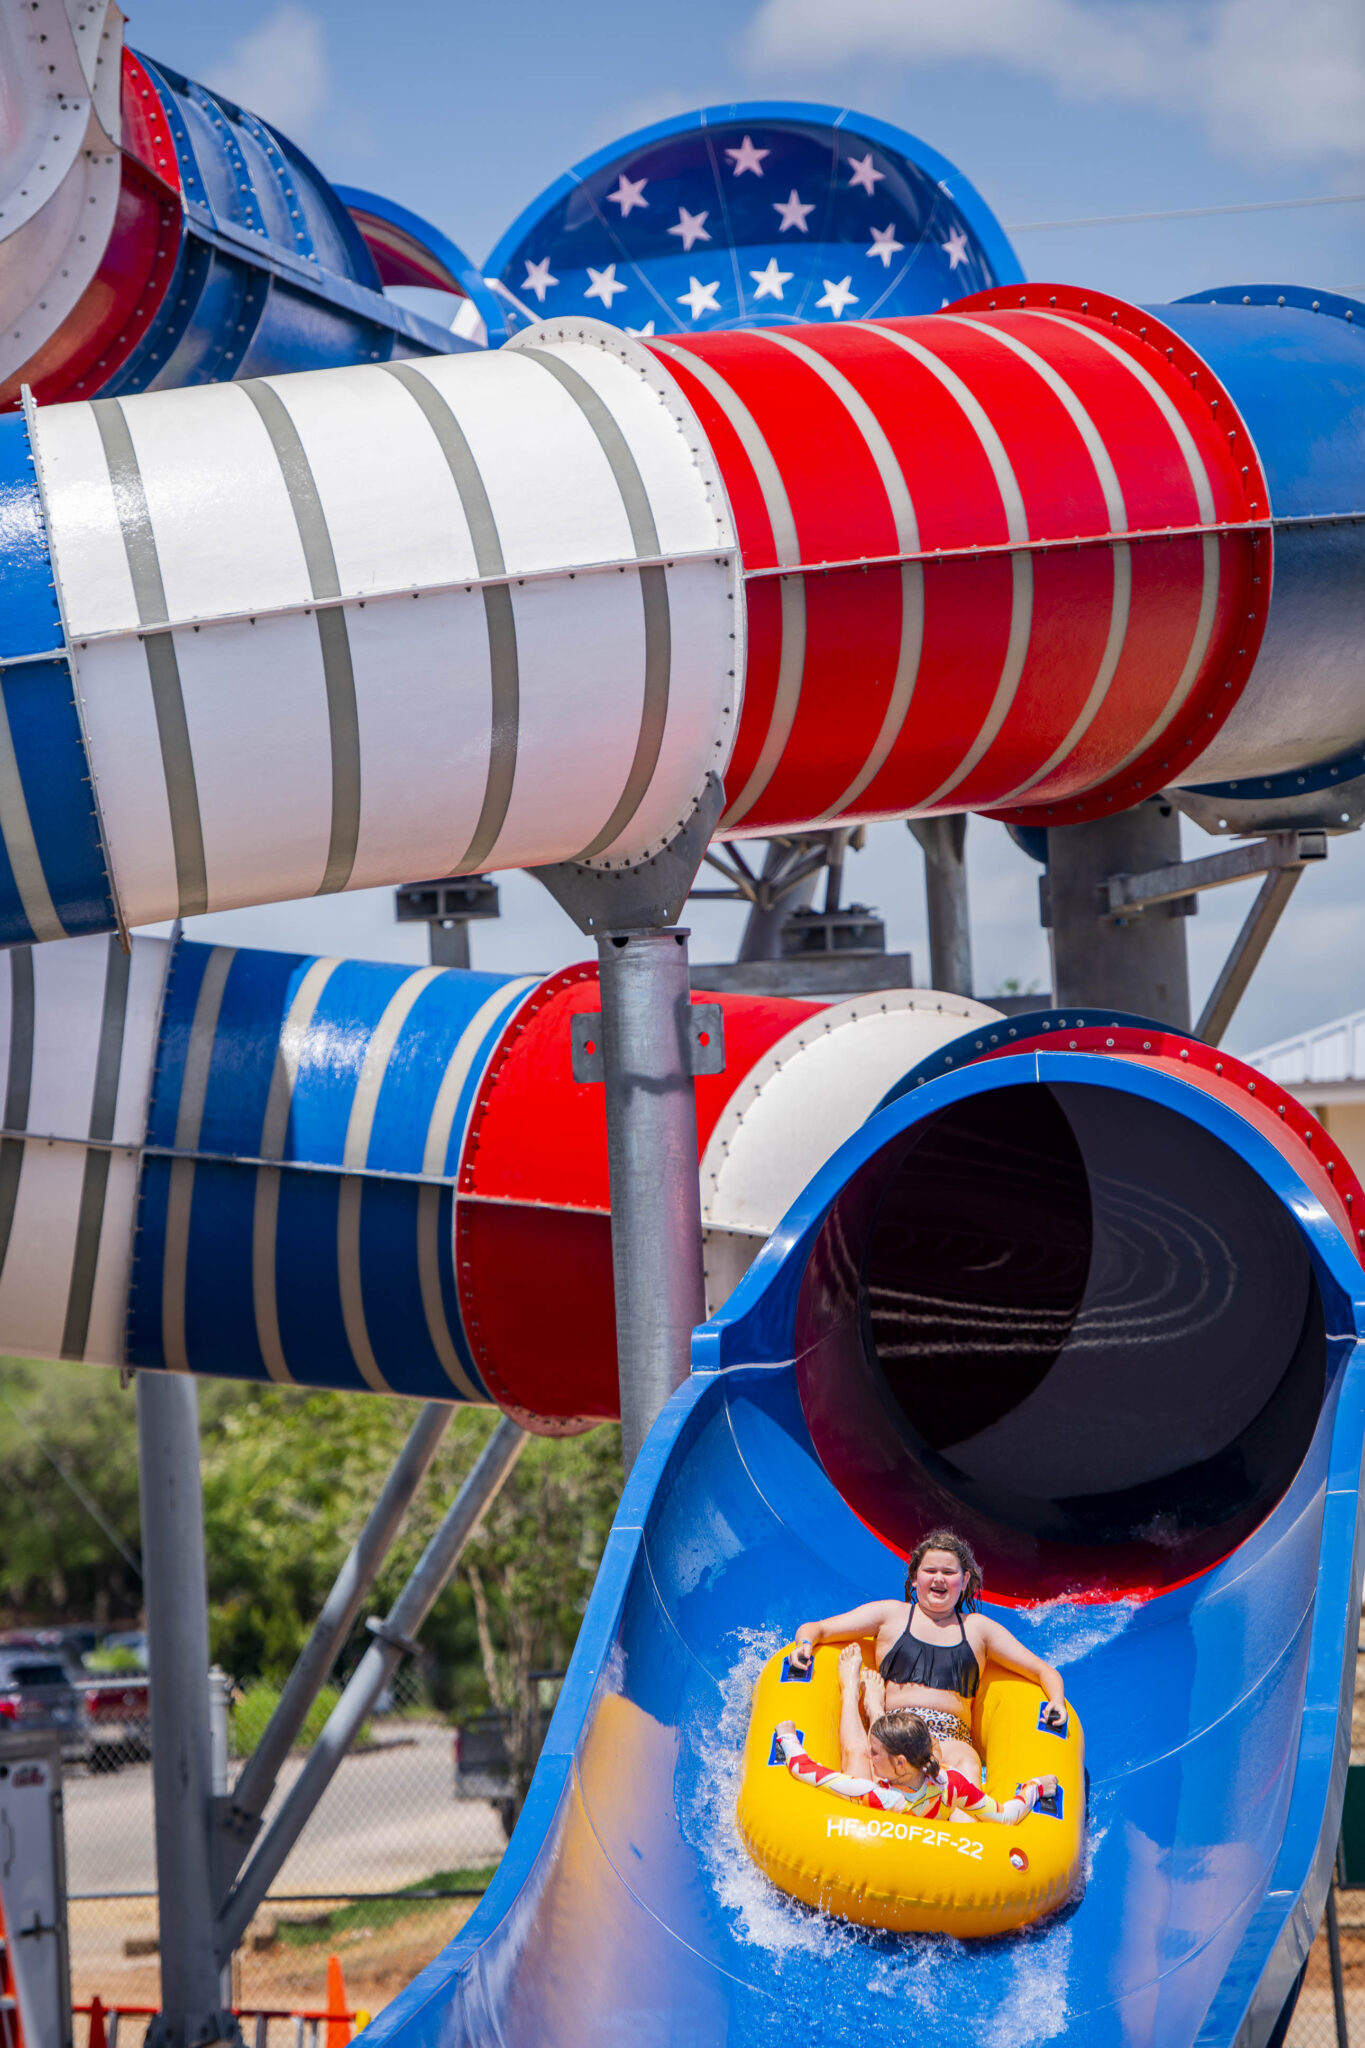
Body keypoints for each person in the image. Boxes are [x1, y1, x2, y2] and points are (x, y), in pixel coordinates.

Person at [788, 1529, 1065, 1786]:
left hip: (949, 1738)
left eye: (949, 1571)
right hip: (894, 1727)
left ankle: (966, 1831)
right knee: (865, 1754)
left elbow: (1043, 1671)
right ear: (914, 1578)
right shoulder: (890, 1616)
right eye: (930, 1570)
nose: (939, 1578)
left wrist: (1056, 1700)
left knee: (966, 1760)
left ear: (965, 1579)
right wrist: (804, 1645)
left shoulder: (979, 1630)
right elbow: (818, 1629)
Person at [774, 1646, 1056, 1825]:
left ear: (899, 1763)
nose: (871, 1758)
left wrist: (787, 1738)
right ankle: (875, 1710)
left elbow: (806, 1771)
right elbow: (1007, 1816)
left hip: (888, 1810)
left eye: (877, 1754)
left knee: (856, 1753)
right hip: (924, 1798)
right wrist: (1034, 1788)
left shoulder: (874, 1795)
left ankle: (857, 1695)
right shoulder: (950, 1784)